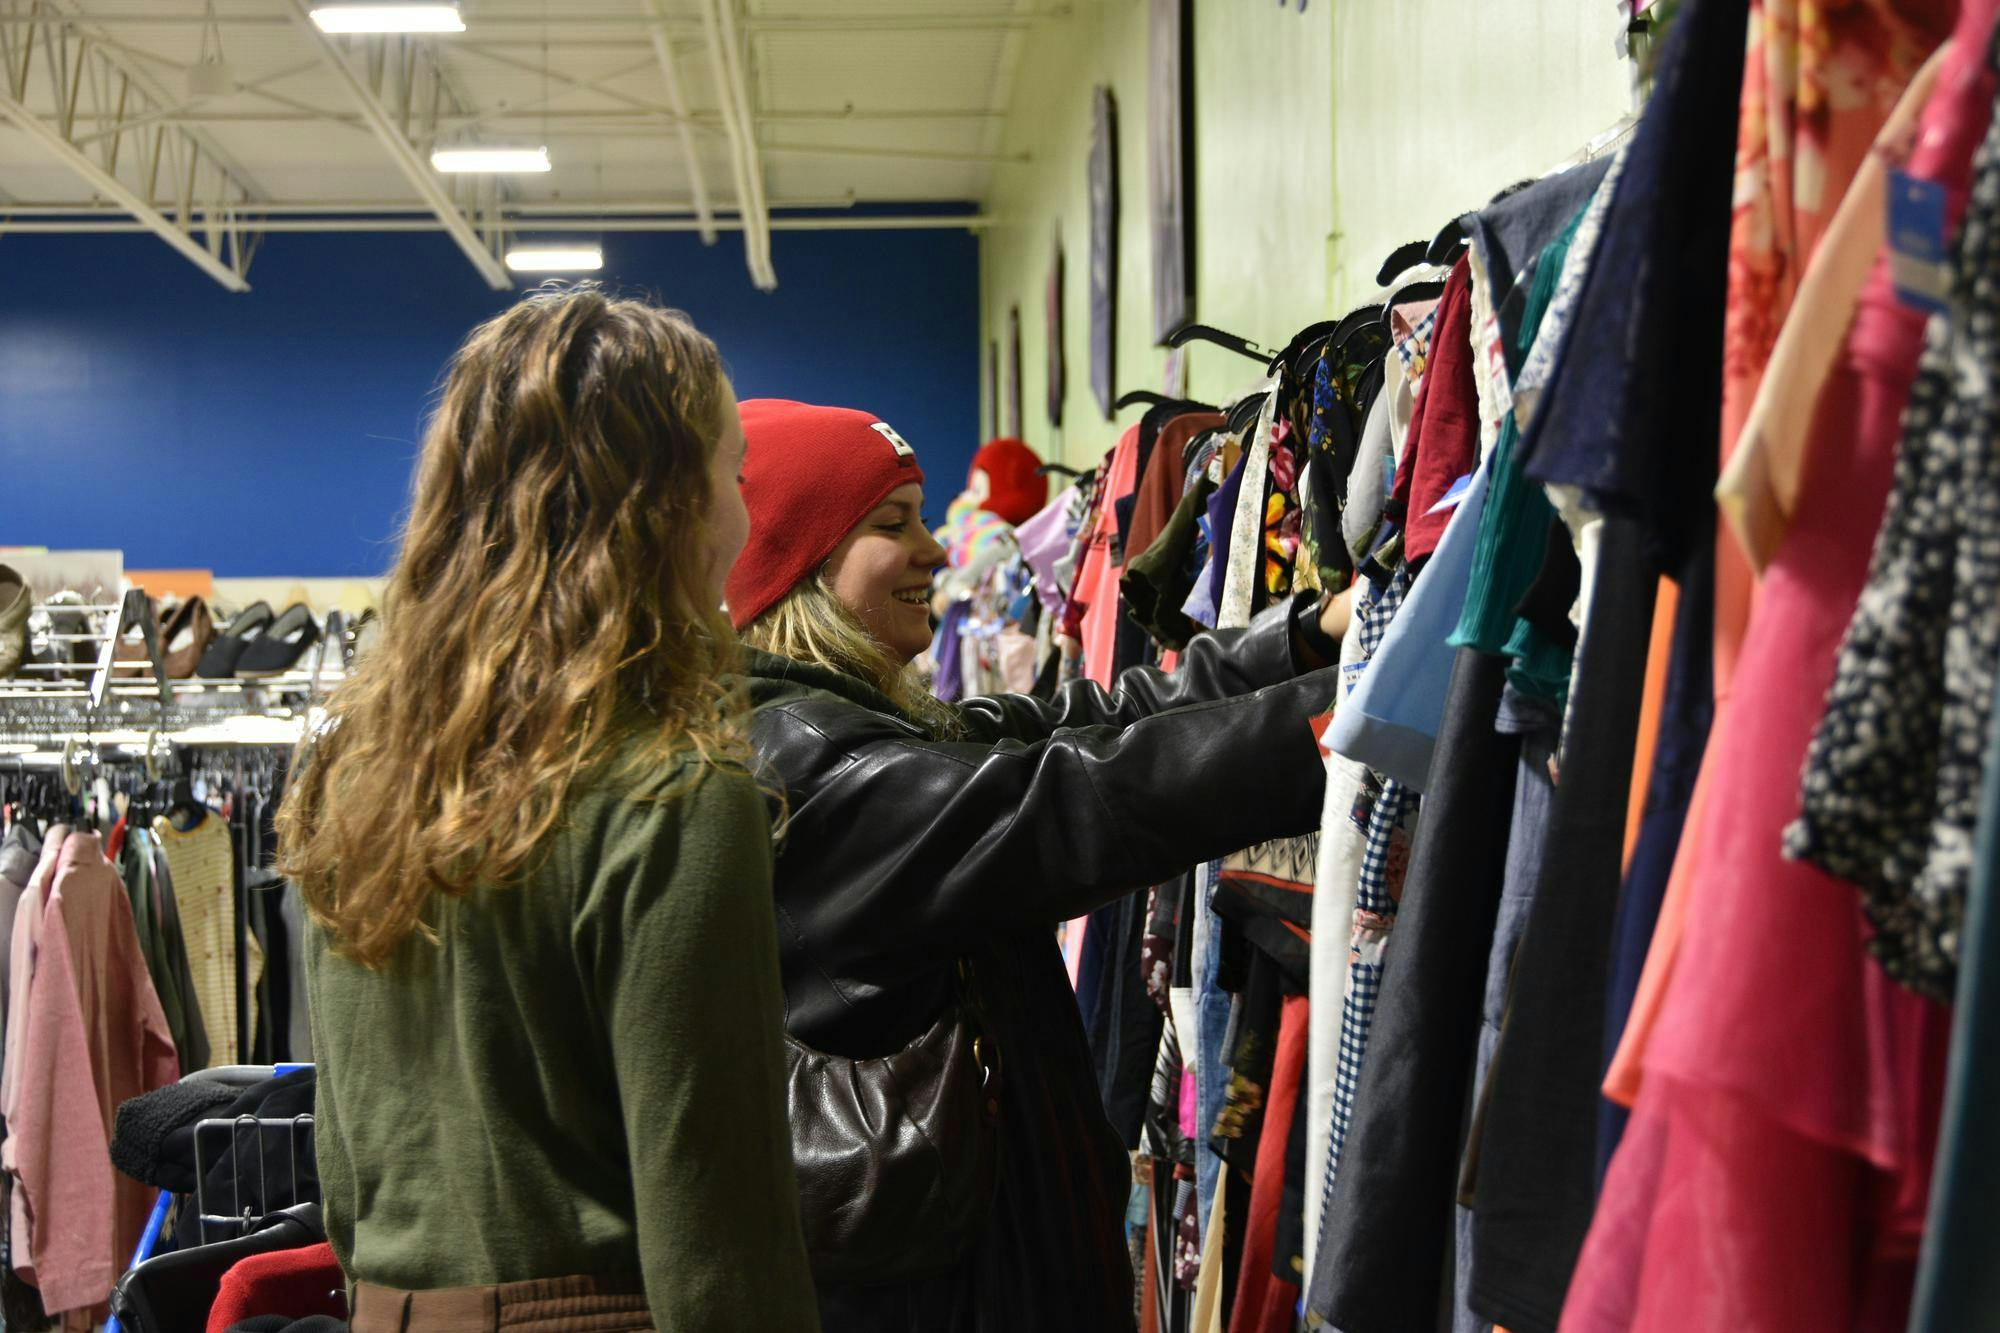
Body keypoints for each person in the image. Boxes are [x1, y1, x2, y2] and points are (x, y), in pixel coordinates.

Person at [728, 398, 1351, 1332]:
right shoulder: (821, 766)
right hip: (948, 1292)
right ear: (798, 566)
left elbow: (1086, 719)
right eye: (891, 526)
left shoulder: (845, 726)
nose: (938, 552)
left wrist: (1307, 638)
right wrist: (1357, 713)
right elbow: (1082, 797)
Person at [279, 291, 820, 1332]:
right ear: (662, 504)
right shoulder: (672, 792)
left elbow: (346, 1176)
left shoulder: (359, 779)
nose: (742, 515)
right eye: (731, 471)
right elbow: (718, 1241)